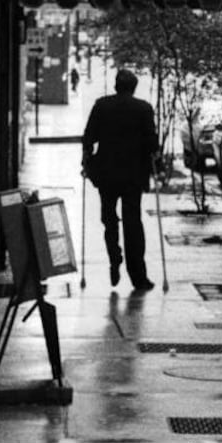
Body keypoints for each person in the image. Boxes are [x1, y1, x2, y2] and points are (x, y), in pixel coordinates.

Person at [82, 68, 160, 291]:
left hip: (106, 173)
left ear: (116, 85)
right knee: (133, 222)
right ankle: (138, 276)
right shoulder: (143, 109)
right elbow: (152, 143)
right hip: (133, 175)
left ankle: (114, 257)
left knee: (109, 218)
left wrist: (86, 159)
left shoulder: (101, 105)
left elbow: (89, 137)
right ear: (134, 88)